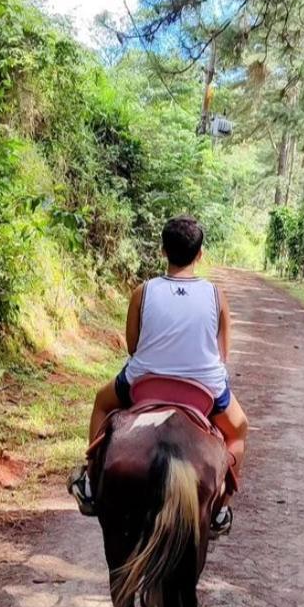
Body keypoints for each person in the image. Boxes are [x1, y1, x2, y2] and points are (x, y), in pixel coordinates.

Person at [68, 215, 247, 534]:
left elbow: (134, 347)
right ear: (200, 254)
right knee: (238, 431)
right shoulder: (216, 295)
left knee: (101, 402)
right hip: (203, 387)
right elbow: (223, 355)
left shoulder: (143, 291)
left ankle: (92, 481)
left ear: (162, 250)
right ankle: (221, 506)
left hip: (144, 382)